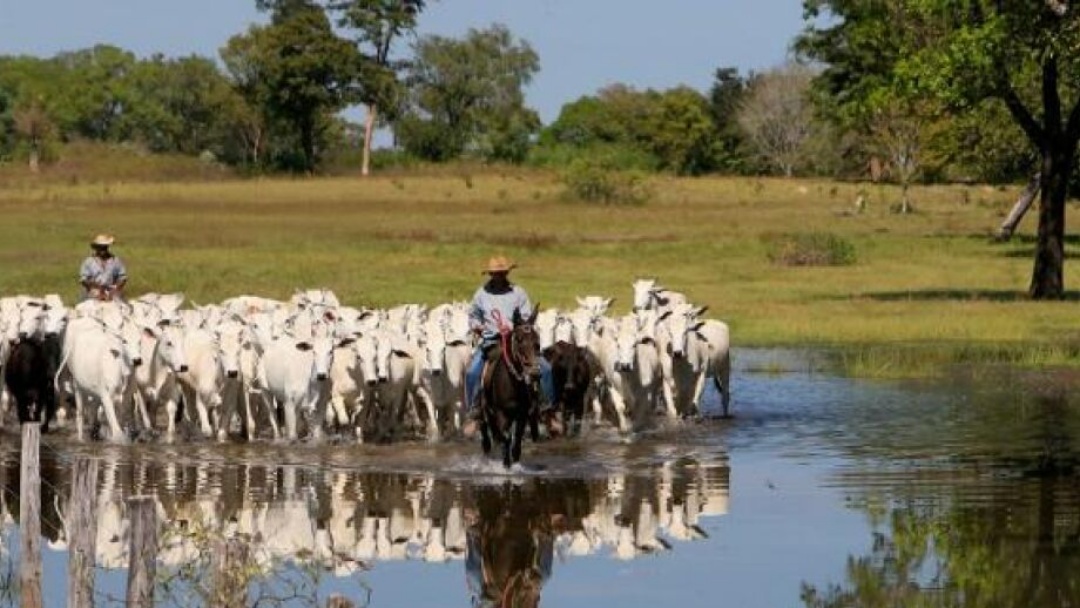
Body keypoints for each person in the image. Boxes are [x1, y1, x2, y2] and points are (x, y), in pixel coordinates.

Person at [463, 256, 554, 436]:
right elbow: (473, 315)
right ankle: (475, 411)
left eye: (502, 273)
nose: (499, 276)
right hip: (492, 342)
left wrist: (514, 327)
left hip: (516, 341)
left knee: (545, 368)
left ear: (507, 273)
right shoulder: (481, 294)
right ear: (490, 274)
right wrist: (477, 326)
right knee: (472, 372)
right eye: (495, 274)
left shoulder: (518, 293)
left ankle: (547, 410)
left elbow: (527, 316)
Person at [79, 234, 127, 302]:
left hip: (111, 290)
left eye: (104, 247)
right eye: (100, 247)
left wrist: (115, 289)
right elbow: (84, 280)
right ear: (96, 247)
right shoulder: (88, 261)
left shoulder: (116, 260)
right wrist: (98, 289)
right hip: (93, 291)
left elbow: (123, 278)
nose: (103, 249)